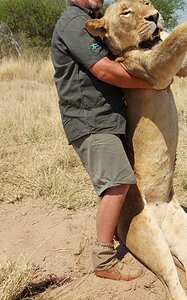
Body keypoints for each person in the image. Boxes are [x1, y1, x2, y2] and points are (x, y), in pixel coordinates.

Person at [51, 0, 157, 281]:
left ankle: (125, 236)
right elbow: (104, 70)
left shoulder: (94, 18)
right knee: (117, 182)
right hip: (90, 120)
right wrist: (152, 82)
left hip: (107, 118)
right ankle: (104, 262)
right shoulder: (75, 23)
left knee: (123, 181)